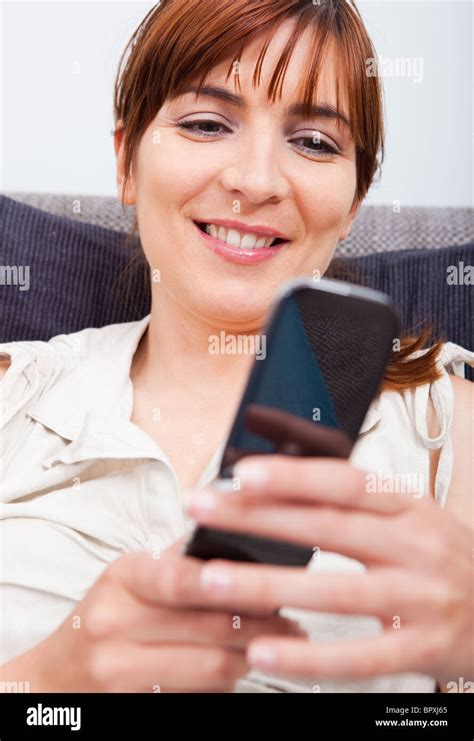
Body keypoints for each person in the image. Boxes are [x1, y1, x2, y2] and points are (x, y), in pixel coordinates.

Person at [0, 0, 472, 694]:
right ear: (126, 162)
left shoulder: (451, 428)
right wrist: (44, 684)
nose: (255, 180)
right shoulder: (13, 395)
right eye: (205, 124)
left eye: (314, 142)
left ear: (354, 203)